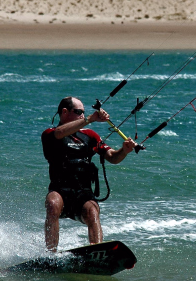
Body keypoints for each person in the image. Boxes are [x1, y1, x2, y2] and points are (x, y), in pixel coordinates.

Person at [41, 96, 137, 252]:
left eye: (84, 113)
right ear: (64, 112)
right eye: (79, 112)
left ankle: (97, 251)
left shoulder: (90, 136)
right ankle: (51, 254)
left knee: (92, 210)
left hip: (82, 194)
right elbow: (60, 133)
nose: (82, 116)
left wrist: (124, 151)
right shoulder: (50, 134)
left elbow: (112, 157)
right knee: (52, 203)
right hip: (60, 191)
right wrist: (90, 119)